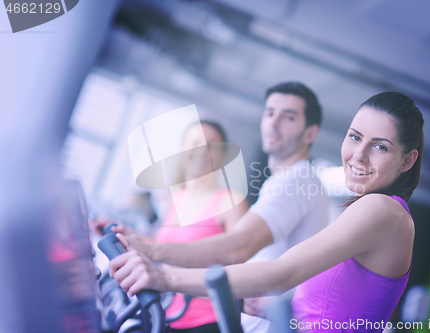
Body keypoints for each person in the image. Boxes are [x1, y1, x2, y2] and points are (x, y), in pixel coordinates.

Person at [109, 91, 424, 333]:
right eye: (355, 137)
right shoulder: (375, 212)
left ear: (407, 160)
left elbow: (279, 271)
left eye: (380, 146)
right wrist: (271, 306)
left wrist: (165, 276)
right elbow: (339, 313)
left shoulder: (382, 210)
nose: (359, 154)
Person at [115, 82, 330, 332]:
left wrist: (153, 253)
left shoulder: (296, 181)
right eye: (270, 113)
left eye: (289, 117)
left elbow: (239, 247)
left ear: (310, 134)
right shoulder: (284, 182)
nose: (274, 122)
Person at [92, 120, 249, 333]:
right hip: (169, 313)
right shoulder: (179, 199)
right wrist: (125, 233)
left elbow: (240, 262)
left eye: (211, 146)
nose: (202, 152)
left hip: (209, 319)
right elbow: (164, 247)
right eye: (195, 144)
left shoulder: (231, 201)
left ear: (222, 156)